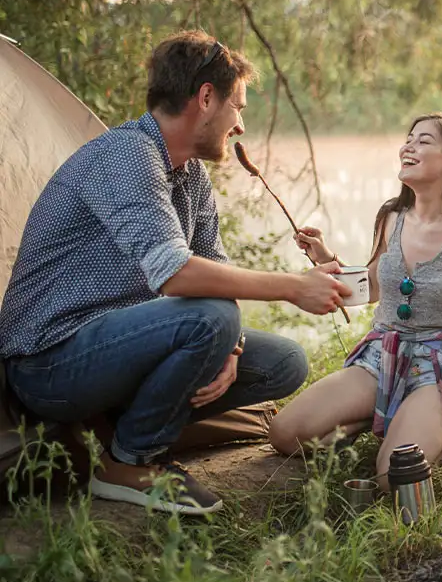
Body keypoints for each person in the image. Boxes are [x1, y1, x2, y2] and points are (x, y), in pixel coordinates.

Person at [0, 31, 350, 515]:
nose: (240, 126)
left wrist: (232, 346)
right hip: (49, 364)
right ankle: (128, 462)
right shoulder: (126, 156)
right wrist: (292, 287)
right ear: (206, 97)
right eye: (239, 108)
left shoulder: (189, 173)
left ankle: (127, 426)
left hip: (118, 352)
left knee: (283, 362)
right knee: (210, 315)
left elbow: (215, 262)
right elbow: (176, 274)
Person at [268, 113, 442, 488]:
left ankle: (441, 416)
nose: (408, 146)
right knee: (285, 433)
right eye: (409, 139)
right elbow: (373, 289)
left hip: (441, 368)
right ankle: (376, 414)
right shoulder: (391, 218)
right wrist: (324, 258)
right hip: (382, 356)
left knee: (391, 476)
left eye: (424, 140)